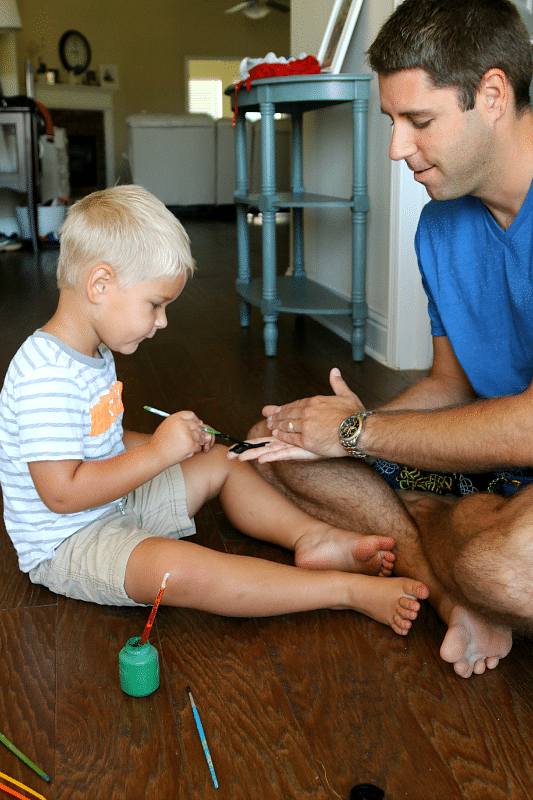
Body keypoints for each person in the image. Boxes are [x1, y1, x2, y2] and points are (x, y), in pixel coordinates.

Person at [233, 0, 533, 677]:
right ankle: (455, 579)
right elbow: (451, 385)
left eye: (417, 121)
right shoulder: (440, 228)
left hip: (513, 463)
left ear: (491, 94)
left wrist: (359, 435)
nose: (397, 149)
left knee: (509, 565)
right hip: (491, 466)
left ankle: (446, 547)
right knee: (271, 441)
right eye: (392, 122)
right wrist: (332, 426)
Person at [0, 184, 428, 632]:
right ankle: (346, 593)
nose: (162, 322)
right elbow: (62, 494)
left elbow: (98, 442)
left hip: (114, 501)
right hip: (70, 541)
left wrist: (175, 447)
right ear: (100, 283)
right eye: (155, 305)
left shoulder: (94, 352)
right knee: (181, 571)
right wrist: (160, 453)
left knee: (224, 459)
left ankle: (313, 538)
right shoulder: (43, 376)